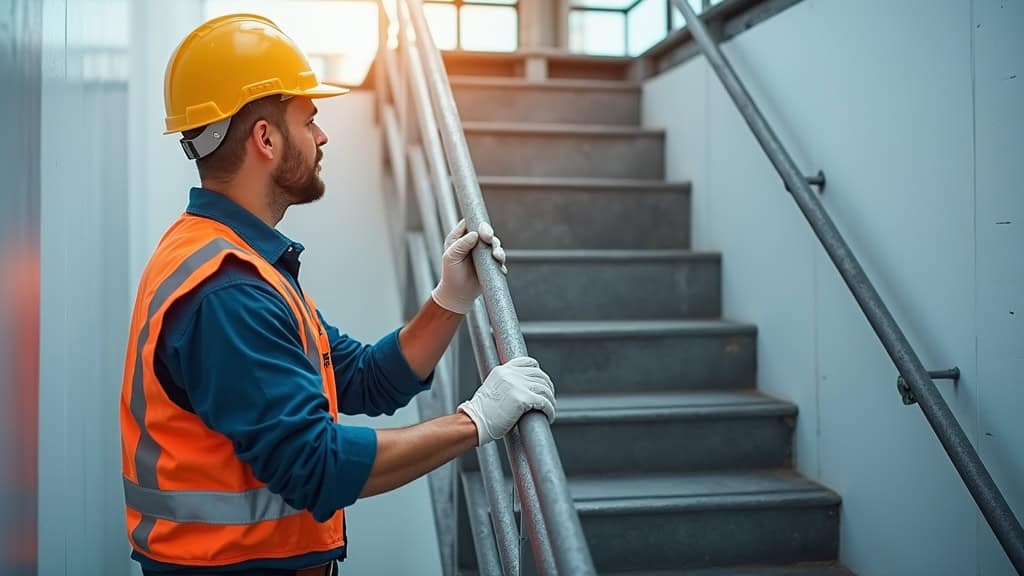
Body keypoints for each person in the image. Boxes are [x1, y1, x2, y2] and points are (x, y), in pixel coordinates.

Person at [119, 14, 556, 576]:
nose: (323, 137)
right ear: (266, 139)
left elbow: (366, 377)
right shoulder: (226, 292)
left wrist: (450, 297)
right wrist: (474, 421)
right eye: (310, 120)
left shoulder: (235, 259)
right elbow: (316, 465)